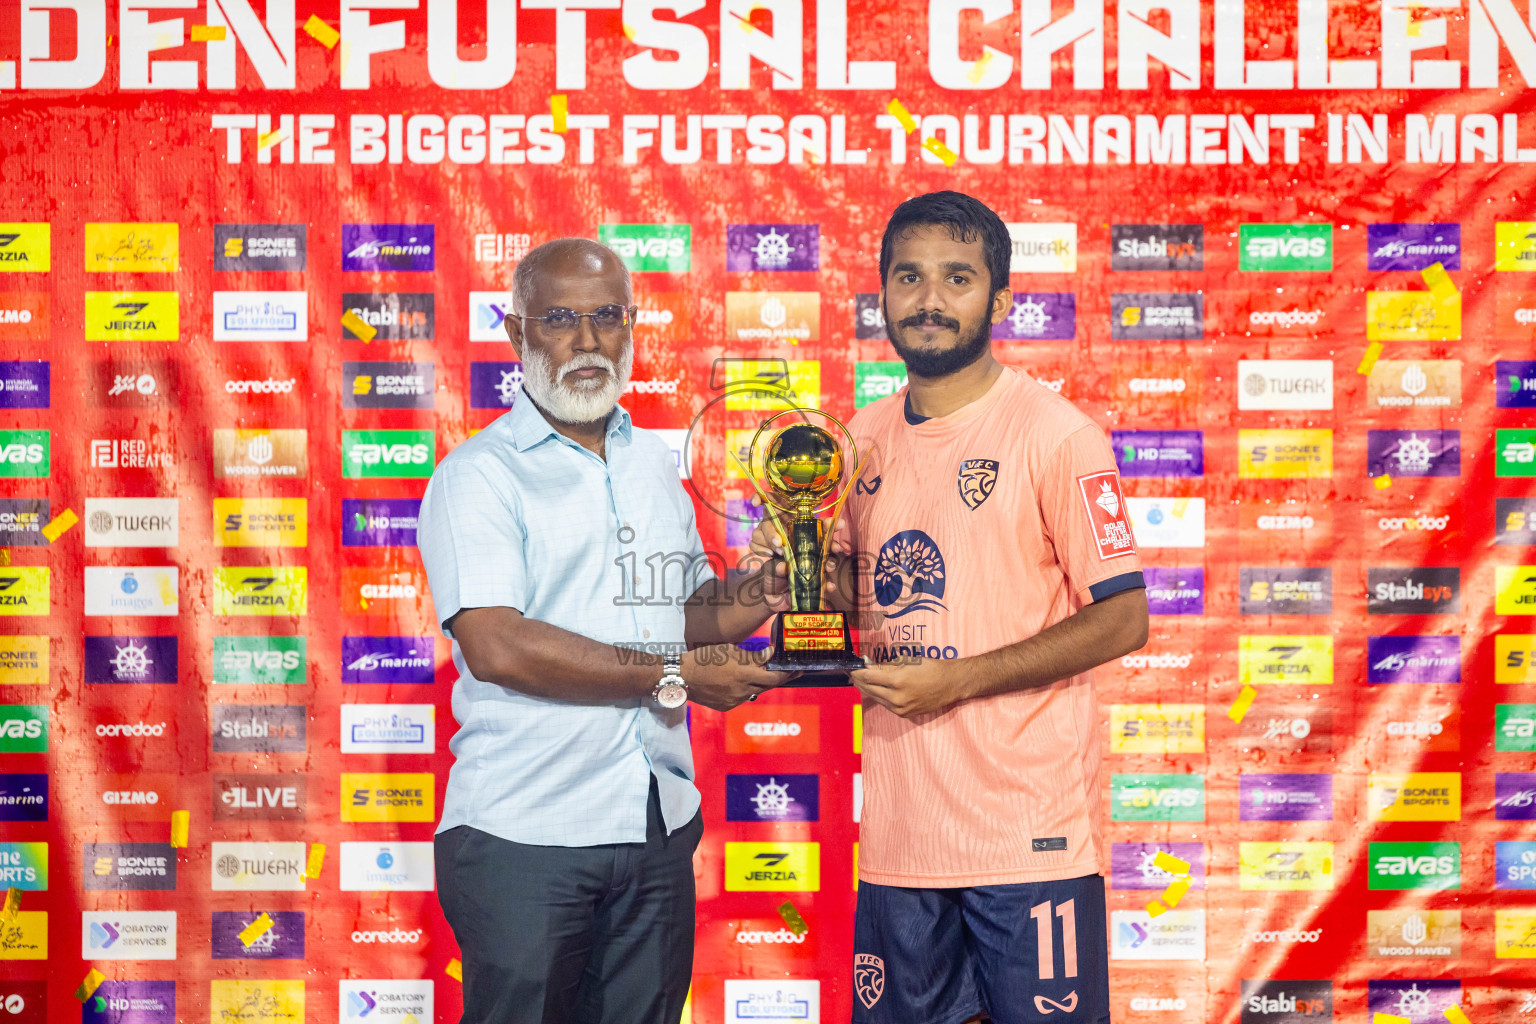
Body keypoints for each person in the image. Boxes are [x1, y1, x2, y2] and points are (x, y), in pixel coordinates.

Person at [759, 192, 1149, 1023]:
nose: (930, 300)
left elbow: (1124, 617)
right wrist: (799, 570)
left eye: (958, 279)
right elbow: (850, 611)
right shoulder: (853, 442)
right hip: (902, 846)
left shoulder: (1058, 436)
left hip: (1029, 839)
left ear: (999, 301)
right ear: (883, 295)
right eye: (910, 277)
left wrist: (963, 679)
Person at [418, 238, 786, 1024]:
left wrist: (766, 589)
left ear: (631, 328)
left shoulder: (650, 462)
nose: (587, 342)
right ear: (518, 338)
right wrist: (673, 677)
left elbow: (683, 616)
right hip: (525, 835)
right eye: (560, 320)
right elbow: (497, 644)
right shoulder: (478, 474)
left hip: (654, 826)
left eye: (607, 318)